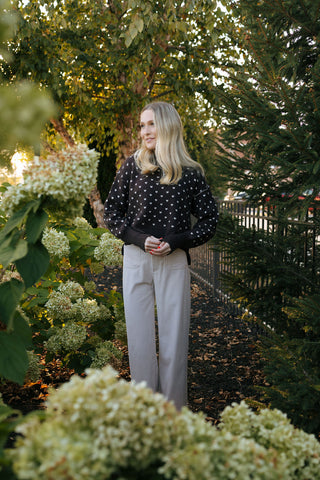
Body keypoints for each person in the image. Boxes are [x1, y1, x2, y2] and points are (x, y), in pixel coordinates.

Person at [104, 101, 218, 409]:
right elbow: (111, 212)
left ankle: (172, 417)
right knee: (139, 343)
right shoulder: (132, 165)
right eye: (141, 125)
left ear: (167, 125)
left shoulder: (190, 173)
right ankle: (145, 416)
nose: (144, 131)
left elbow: (210, 220)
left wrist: (179, 240)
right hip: (136, 260)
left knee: (174, 343)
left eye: (150, 124)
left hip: (174, 262)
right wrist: (139, 239)